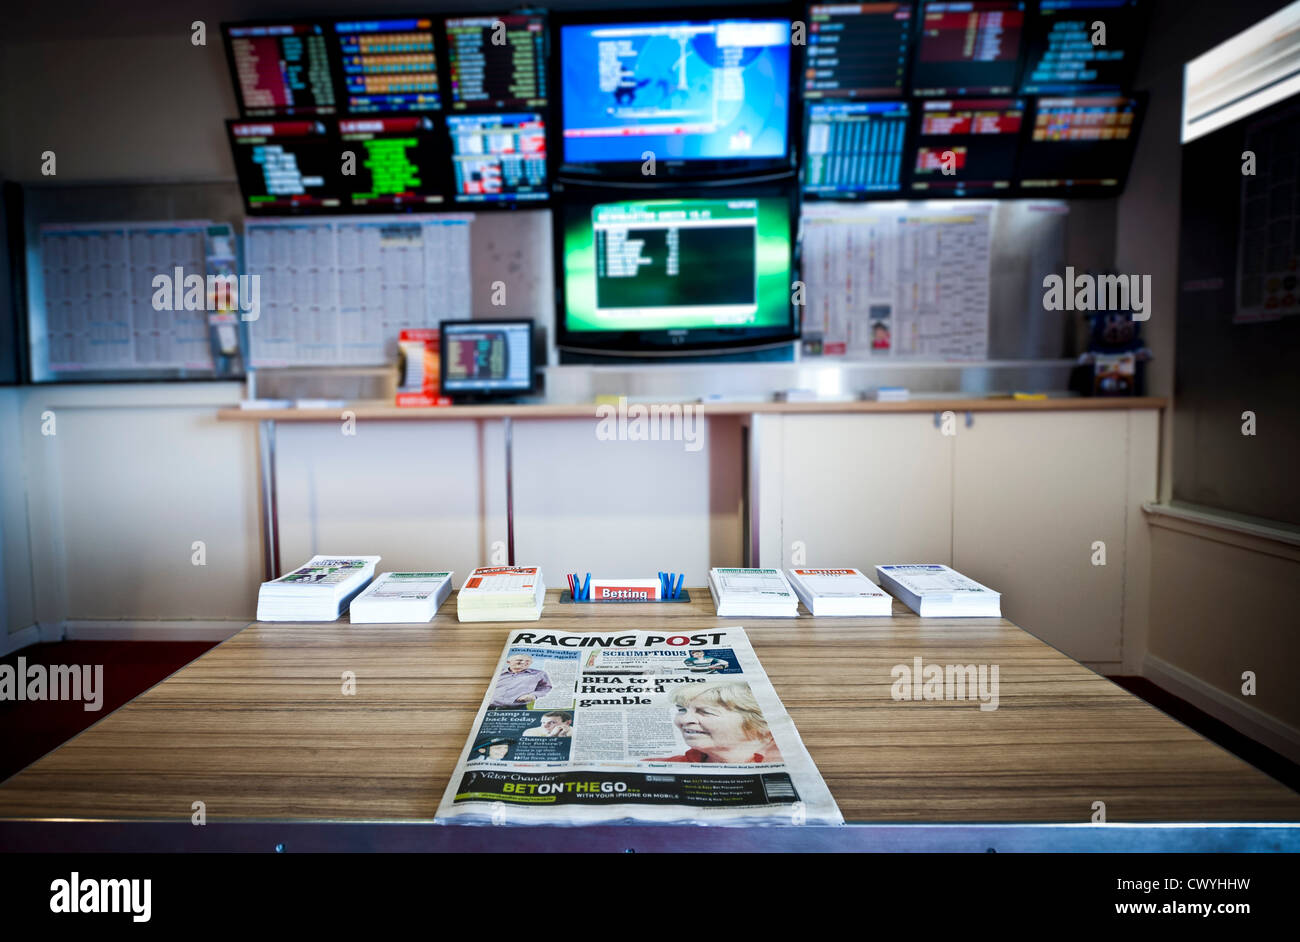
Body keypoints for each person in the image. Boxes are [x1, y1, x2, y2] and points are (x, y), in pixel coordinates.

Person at [644, 681, 784, 764]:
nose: (684, 720)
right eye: (682, 710)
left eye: (705, 711)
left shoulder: (785, 756)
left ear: (755, 719)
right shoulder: (658, 765)